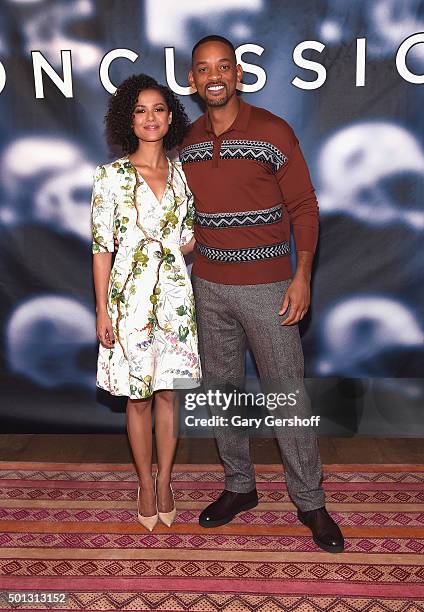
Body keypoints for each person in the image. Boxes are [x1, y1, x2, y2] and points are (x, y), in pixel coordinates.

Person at [179, 35, 344, 553]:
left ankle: (310, 500)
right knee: (223, 393)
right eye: (204, 68)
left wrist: (303, 276)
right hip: (209, 286)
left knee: (286, 396)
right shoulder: (186, 141)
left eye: (223, 66)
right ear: (191, 80)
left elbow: (305, 207)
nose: (214, 76)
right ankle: (239, 487)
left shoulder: (273, 131)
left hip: (270, 286)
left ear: (239, 75)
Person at [91, 74, 201, 532]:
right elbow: (102, 247)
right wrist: (102, 308)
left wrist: (174, 251)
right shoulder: (110, 177)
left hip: (175, 300)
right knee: (137, 399)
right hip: (128, 302)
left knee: (168, 395)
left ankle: (167, 481)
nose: (150, 117)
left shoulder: (182, 175)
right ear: (128, 121)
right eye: (140, 110)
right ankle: (143, 482)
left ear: (170, 117)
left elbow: (190, 240)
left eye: (158, 109)